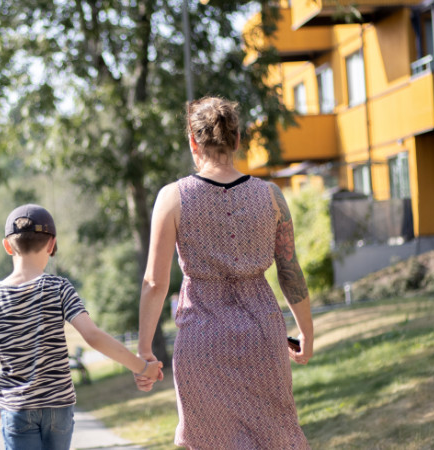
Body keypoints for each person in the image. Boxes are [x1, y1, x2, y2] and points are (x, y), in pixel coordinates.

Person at [136, 96, 314, 449]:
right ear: (237, 141)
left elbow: (155, 283)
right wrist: (306, 331)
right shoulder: (272, 196)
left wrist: (143, 351)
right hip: (263, 336)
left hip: (201, 341)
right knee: (274, 438)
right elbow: (290, 271)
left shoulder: (172, 198)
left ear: (192, 141)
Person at [0, 204, 163, 450]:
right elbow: (93, 336)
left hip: (17, 408)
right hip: (58, 408)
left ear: (7, 246)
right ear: (51, 245)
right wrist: (142, 367)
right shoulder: (59, 287)